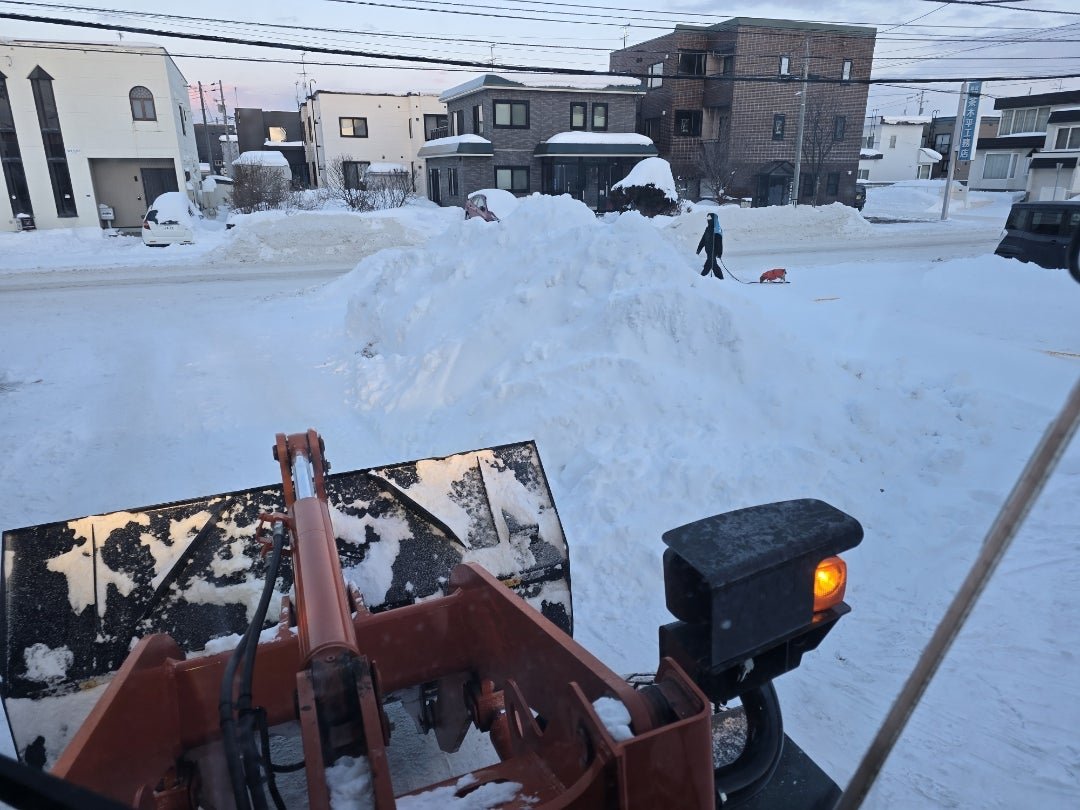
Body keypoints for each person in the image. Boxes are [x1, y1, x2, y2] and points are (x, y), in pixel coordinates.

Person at [695, 212, 724, 279]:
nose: (708, 220)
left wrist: (719, 253)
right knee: (711, 264)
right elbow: (703, 240)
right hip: (708, 250)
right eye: (707, 218)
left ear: (714, 219)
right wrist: (699, 249)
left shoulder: (717, 230)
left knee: (712, 265)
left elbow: (720, 243)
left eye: (710, 218)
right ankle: (719, 278)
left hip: (714, 251)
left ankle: (702, 277)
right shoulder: (708, 229)